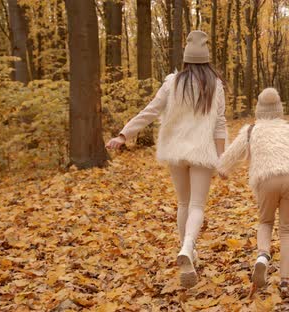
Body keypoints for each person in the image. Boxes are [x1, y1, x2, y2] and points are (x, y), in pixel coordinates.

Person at [106, 30, 226, 288]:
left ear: (186, 59)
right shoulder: (215, 85)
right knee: (197, 206)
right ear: (206, 60)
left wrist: (124, 134)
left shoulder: (172, 82)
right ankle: (188, 246)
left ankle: (189, 255)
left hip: (174, 151)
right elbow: (220, 124)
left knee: (183, 203)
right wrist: (222, 156)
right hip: (202, 152)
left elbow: (150, 111)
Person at [217, 88, 289, 297]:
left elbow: (230, 156)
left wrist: (222, 169)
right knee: (287, 230)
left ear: (259, 109)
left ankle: (263, 256)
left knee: (265, 222)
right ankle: (285, 282)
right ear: (279, 109)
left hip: (266, 179)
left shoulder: (251, 130)